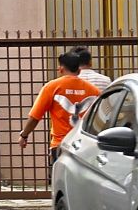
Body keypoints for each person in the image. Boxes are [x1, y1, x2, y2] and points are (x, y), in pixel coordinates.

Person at [18, 50, 101, 181]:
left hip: (61, 144)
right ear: (79, 70)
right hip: (86, 145)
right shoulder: (93, 90)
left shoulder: (52, 87)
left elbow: (35, 117)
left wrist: (24, 135)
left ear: (60, 68)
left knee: (62, 183)